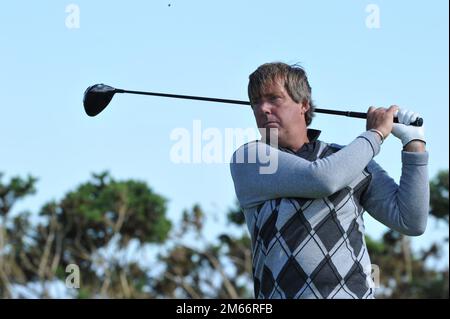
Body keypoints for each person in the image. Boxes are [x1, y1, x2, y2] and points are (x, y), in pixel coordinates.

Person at [230, 62, 429, 299]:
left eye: (274, 99)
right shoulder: (250, 159)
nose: (263, 108)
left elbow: (411, 221)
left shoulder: (350, 160)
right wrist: (375, 135)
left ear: (303, 104)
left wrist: (414, 144)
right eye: (256, 102)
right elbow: (321, 179)